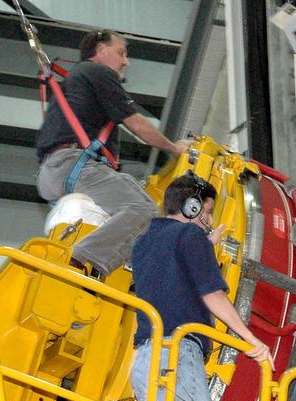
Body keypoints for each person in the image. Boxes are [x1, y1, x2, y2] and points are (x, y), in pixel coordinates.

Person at [113, 174, 271, 401]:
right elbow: (211, 296)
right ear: (192, 207)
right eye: (208, 212)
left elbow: (175, 279)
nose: (211, 221)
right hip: (178, 356)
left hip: (148, 358)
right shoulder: (189, 237)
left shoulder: (146, 242)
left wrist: (207, 246)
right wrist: (250, 341)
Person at [35, 29, 189, 278]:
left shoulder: (80, 81)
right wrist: (174, 148)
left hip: (57, 171)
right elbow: (137, 124)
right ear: (101, 51)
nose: (125, 61)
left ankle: (98, 264)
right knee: (143, 209)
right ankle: (82, 260)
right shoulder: (98, 72)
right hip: (74, 165)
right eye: (121, 52)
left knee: (129, 199)